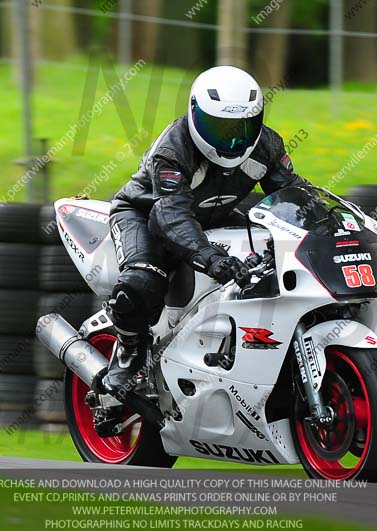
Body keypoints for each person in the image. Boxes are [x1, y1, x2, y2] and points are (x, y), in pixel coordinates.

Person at [101, 65, 310, 404]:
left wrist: (330, 220)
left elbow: (292, 196)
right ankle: (128, 353)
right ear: (195, 113)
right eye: (220, 126)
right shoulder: (174, 148)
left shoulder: (267, 146)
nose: (232, 139)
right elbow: (170, 217)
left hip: (213, 215)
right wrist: (212, 258)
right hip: (145, 214)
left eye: (242, 127)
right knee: (141, 281)